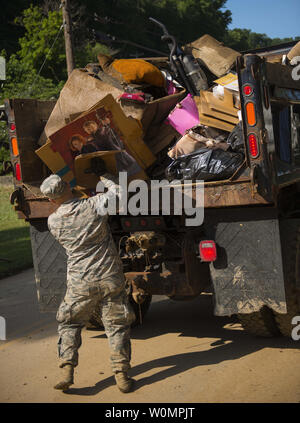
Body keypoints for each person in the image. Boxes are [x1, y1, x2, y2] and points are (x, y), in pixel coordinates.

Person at [39, 159, 136, 393]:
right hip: (109, 276)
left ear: (51, 200)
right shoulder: (93, 205)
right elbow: (120, 194)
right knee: (116, 325)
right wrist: (103, 174)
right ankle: (121, 376)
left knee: (70, 322)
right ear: (70, 187)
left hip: (80, 282)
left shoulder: (53, 221)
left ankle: (67, 370)